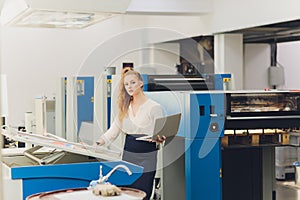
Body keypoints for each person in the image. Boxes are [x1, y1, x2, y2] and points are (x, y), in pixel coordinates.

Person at [96, 67, 165, 200]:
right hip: (128, 153)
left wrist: (160, 138)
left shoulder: (154, 107)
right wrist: (97, 143)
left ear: (141, 83)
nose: (129, 87)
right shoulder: (124, 107)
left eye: (133, 82)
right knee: (127, 193)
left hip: (147, 154)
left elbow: (161, 133)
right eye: (126, 84)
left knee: (142, 193)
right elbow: (113, 131)